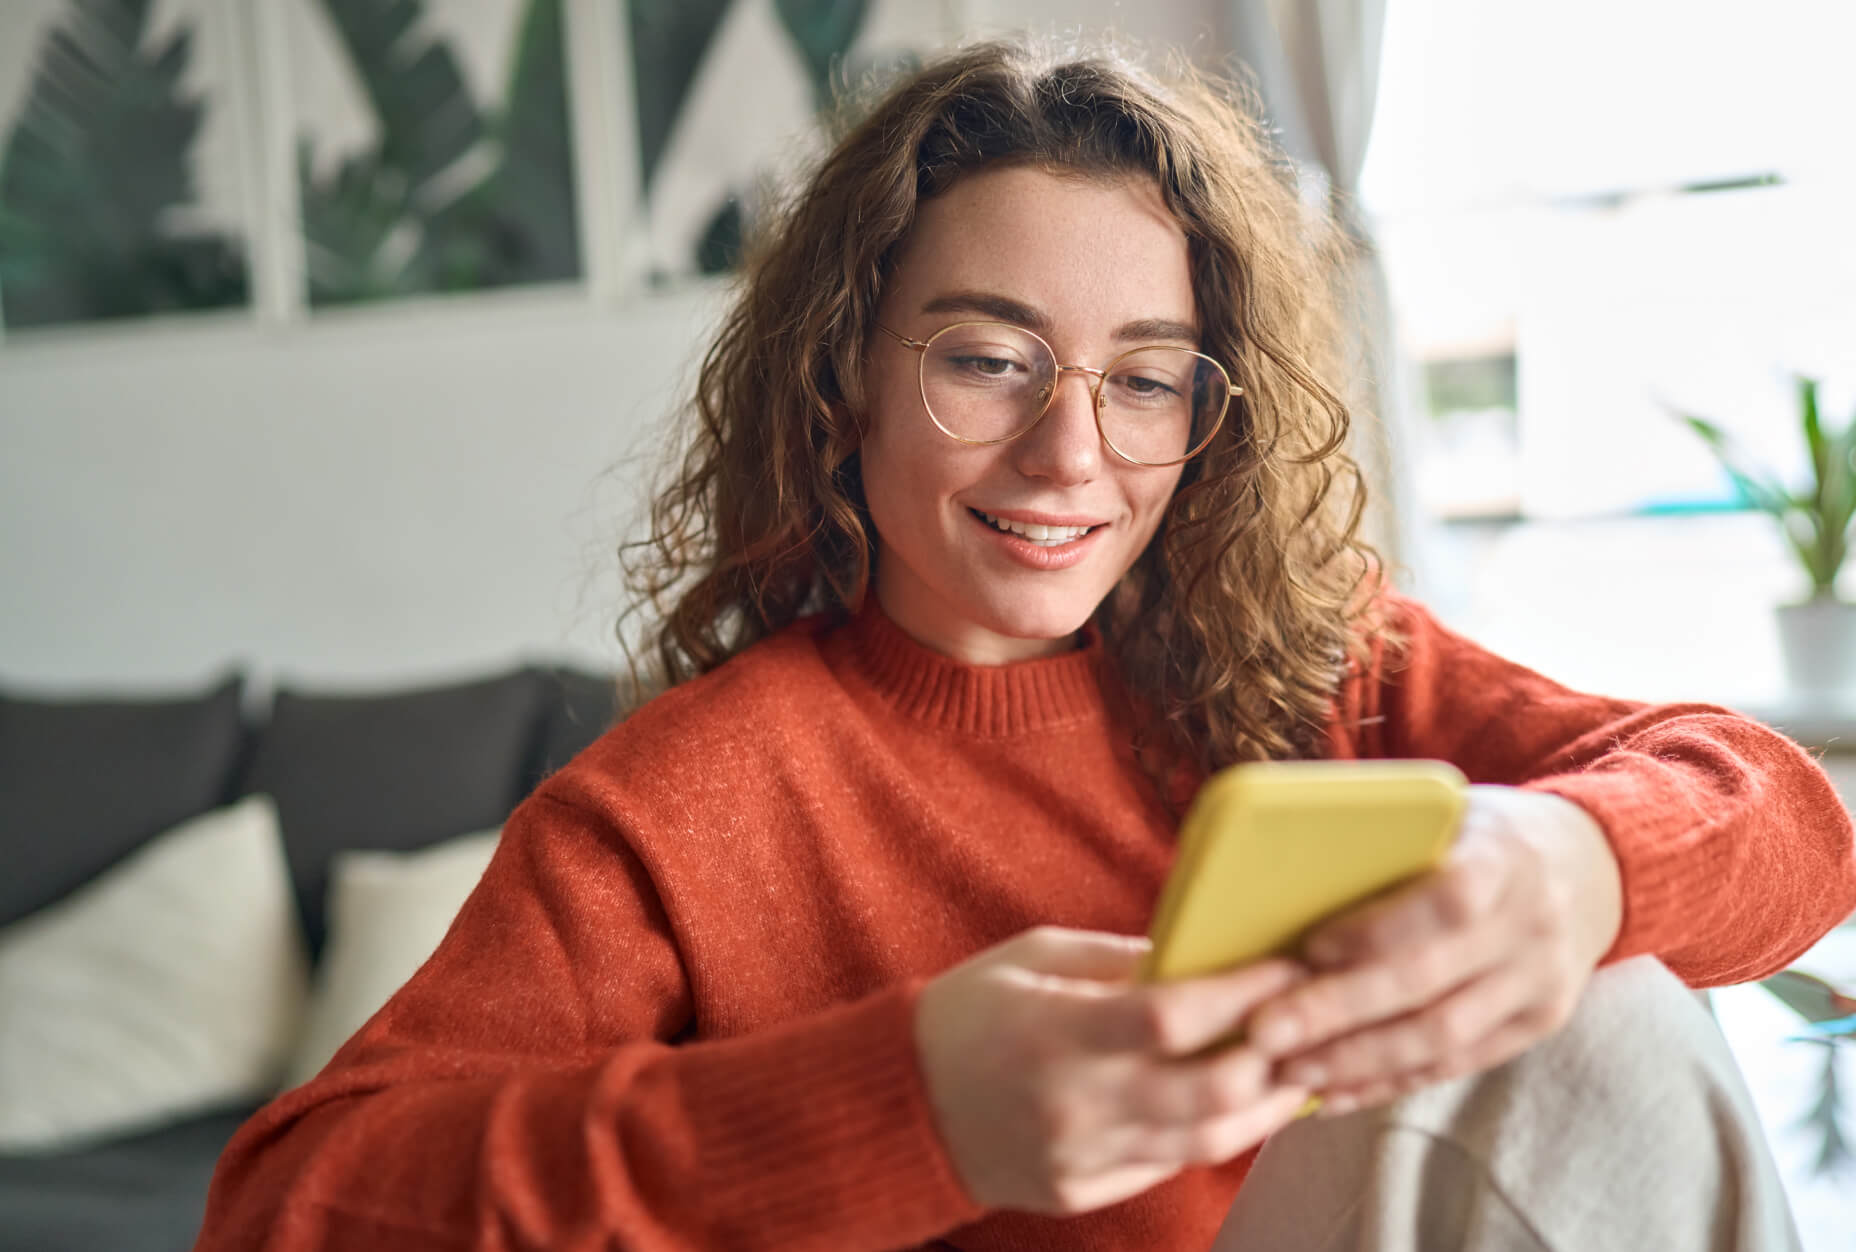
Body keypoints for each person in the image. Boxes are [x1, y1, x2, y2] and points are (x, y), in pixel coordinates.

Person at [195, 37, 1856, 1251]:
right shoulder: (677, 810)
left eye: (1145, 379)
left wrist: (1572, 867)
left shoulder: (1320, 671)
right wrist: (905, 1102)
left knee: (1608, 999)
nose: (1073, 458)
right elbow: (287, 1212)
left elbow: (1787, 819)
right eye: (990, 360)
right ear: (842, 373)